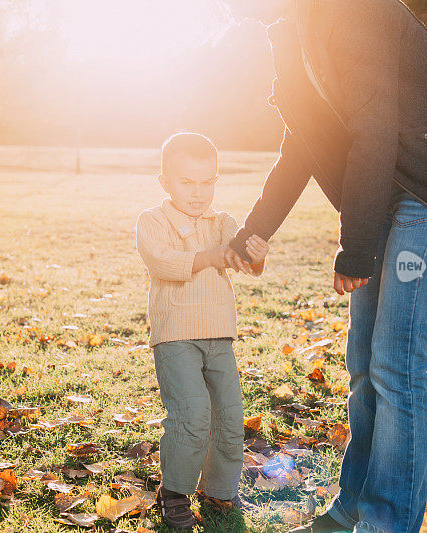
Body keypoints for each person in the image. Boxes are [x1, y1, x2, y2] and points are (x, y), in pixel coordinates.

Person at [219, 1, 427, 532]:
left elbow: (374, 128)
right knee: (364, 363)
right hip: (390, 196)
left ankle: (387, 523)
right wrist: (257, 229)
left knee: (395, 361)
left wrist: (358, 248)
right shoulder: (291, 28)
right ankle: (353, 510)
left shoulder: (355, 11)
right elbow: (303, 140)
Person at [135, 132, 269, 531]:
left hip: (219, 337)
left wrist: (256, 259)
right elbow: (162, 262)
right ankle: (175, 492)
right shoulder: (152, 221)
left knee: (229, 415)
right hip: (175, 335)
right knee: (192, 413)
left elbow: (243, 262)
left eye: (207, 182)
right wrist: (210, 256)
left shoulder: (223, 223)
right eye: (186, 182)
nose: (197, 193)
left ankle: (219, 489)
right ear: (165, 182)